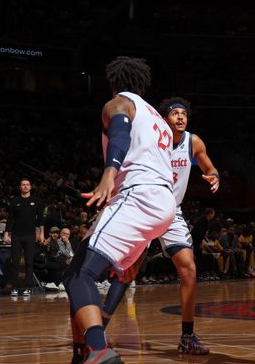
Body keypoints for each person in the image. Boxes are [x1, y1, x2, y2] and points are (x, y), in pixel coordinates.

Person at [62, 56, 176, 364]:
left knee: (78, 276)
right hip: (163, 204)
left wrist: (110, 172)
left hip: (138, 196)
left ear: (114, 83)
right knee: (78, 270)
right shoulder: (156, 116)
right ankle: (82, 353)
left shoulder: (118, 104)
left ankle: (97, 349)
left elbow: (120, 134)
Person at [101, 96, 220, 356]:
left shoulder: (193, 142)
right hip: (144, 205)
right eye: (174, 113)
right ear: (163, 119)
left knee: (189, 267)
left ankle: (187, 336)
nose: (180, 117)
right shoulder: (154, 138)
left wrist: (214, 176)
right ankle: (97, 331)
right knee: (127, 273)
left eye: (183, 114)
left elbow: (209, 166)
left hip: (171, 210)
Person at [4, 178, 44, 297]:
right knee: (15, 262)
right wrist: (6, 234)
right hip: (16, 235)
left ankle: (28, 287)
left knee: (29, 263)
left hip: (30, 235)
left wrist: (41, 233)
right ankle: (14, 288)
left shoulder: (36, 201)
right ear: (20, 187)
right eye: (23, 185)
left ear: (30, 187)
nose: (25, 186)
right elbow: (10, 219)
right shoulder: (14, 201)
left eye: (27, 185)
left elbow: (41, 219)